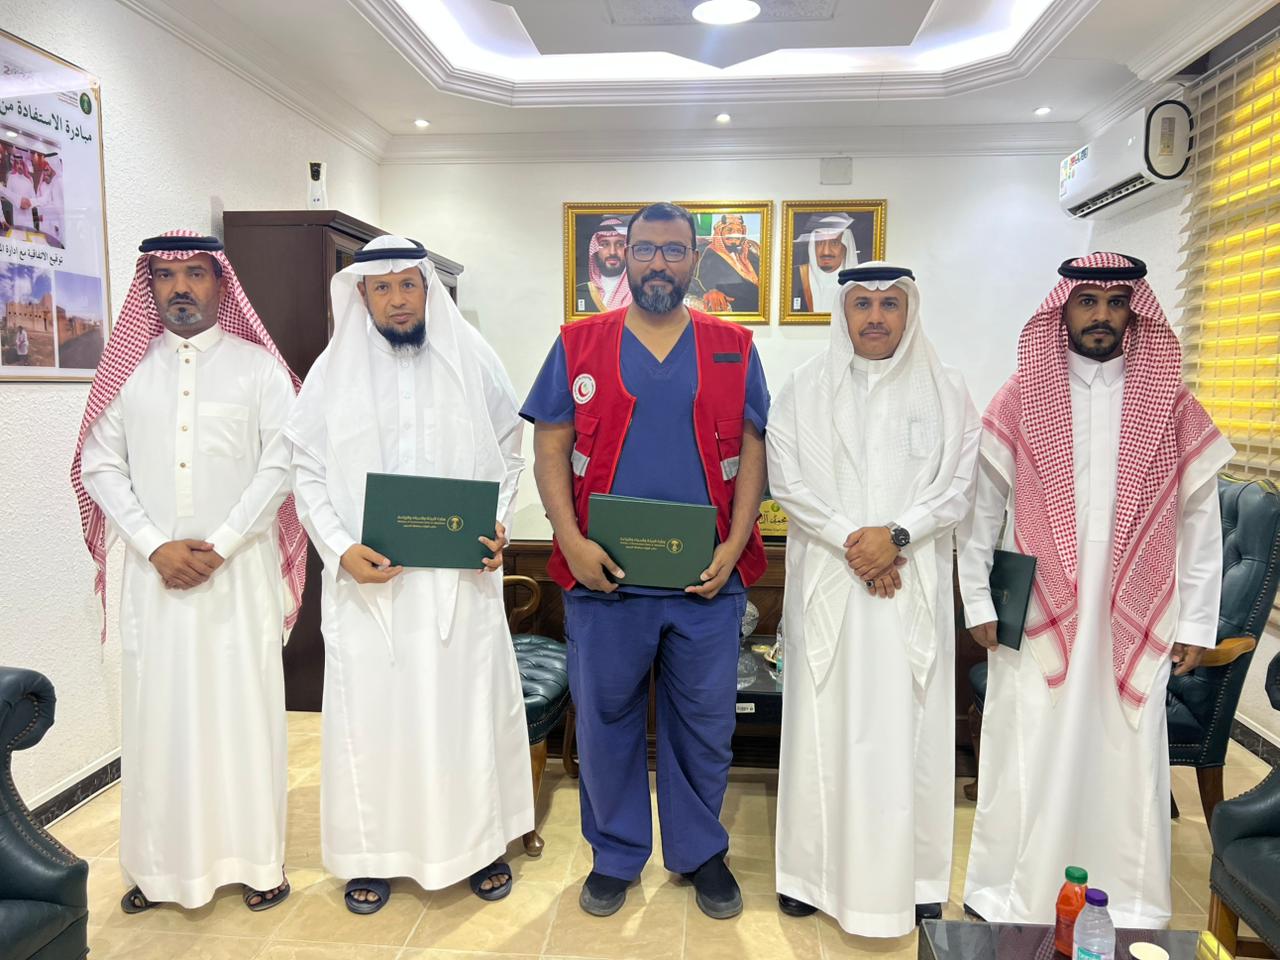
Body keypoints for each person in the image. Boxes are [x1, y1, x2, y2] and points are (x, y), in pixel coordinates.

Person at [958, 252, 1233, 928]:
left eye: (1116, 302)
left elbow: (1200, 521)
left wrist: (1197, 622)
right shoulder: (1021, 396)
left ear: (1135, 312)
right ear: (1064, 311)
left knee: (1123, 759)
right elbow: (982, 512)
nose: (1102, 315)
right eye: (1088, 301)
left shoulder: (1170, 403)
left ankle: (1127, 900)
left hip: (1134, 611)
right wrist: (978, 601)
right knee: (1027, 749)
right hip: (1037, 611)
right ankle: (1014, 896)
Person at [523, 202, 770, 920]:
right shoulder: (578, 343)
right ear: (625, 257)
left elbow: (754, 448)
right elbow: (549, 446)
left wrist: (734, 545)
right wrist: (569, 541)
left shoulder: (733, 346)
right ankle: (615, 855)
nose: (658, 263)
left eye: (673, 250)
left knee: (705, 727)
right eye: (645, 250)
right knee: (606, 724)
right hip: (604, 583)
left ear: (695, 259)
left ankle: (700, 854)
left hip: (706, 584)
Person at [284, 235, 532, 914]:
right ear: (361, 294)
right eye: (382, 287)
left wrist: (499, 522)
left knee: (463, 714)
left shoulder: (472, 356)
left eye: (408, 285)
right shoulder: (333, 370)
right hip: (373, 586)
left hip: (458, 583)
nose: (397, 300)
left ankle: (478, 846)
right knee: (374, 723)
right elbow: (306, 469)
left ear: (428, 289)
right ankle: (371, 856)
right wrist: (339, 548)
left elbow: (510, 448)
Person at [72, 230, 307, 914]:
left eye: (195, 273)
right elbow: (100, 466)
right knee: (158, 722)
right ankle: (157, 871)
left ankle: (258, 863)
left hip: (238, 577)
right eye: (166, 275)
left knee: (244, 716)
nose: (180, 287)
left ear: (220, 283)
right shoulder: (127, 373)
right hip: (155, 582)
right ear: (148, 287)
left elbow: (283, 464)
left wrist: (223, 544)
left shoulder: (258, 370)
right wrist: (154, 546)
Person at [767, 263, 979, 936]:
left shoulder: (948, 389)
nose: (877, 316)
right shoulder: (803, 388)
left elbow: (958, 487)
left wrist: (896, 537)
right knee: (821, 729)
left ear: (909, 309)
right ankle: (808, 877)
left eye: (890, 303)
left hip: (909, 585)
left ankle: (916, 882)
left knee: (912, 736)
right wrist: (857, 545)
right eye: (862, 303)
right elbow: (787, 481)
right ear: (843, 312)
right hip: (832, 584)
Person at [690, 213, 761, 314]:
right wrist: (709, 292)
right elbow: (694, 281)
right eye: (729, 230)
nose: (734, 234)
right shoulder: (708, 255)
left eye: (739, 230)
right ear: (720, 232)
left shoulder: (749, 253)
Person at [792, 213, 860, 312]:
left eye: (834, 243)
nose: (826, 251)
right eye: (820, 243)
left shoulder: (859, 282)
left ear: (846, 247)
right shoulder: (795, 276)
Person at [576, 216, 632, 313]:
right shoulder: (581, 290)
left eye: (620, 244)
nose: (612, 252)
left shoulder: (637, 292)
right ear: (595, 250)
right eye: (605, 244)